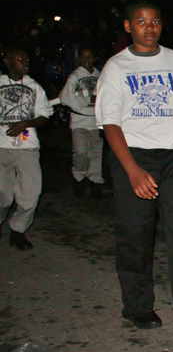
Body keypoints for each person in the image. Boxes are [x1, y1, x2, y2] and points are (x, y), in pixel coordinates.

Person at [95, 0, 173, 340]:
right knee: (136, 236)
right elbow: (109, 124)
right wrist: (133, 171)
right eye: (141, 22)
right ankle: (137, 306)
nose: (149, 28)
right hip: (134, 156)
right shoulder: (116, 68)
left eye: (154, 22)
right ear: (128, 26)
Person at [0, 46, 54, 251]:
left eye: (27, 58)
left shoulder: (35, 87)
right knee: (2, 193)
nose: (25, 62)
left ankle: (18, 231)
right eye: (20, 58)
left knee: (31, 192)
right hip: (1, 146)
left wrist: (26, 124)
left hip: (27, 146)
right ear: (7, 61)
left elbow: (44, 116)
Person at [59, 45, 104, 198]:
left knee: (96, 153)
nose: (87, 60)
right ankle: (79, 175)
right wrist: (87, 100)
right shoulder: (75, 76)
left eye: (90, 57)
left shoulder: (100, 75)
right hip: (79, 120)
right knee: (80, 152)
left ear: (95, 58)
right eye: (83, 57)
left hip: (96, 121)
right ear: (79, 59)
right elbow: (64, 97)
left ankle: (95, 180)